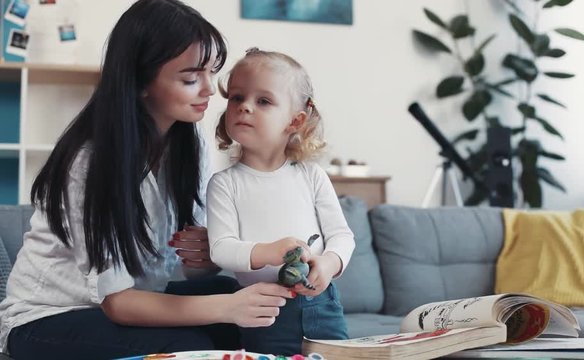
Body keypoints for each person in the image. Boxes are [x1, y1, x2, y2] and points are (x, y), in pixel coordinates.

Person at [0, 1, 294, 358]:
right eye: (190, 78)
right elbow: (118, 303)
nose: (208, 89)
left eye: (211, 72)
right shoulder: (90, 162)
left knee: (260, 309)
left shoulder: (191, 142)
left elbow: (179, 268)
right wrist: (227, 308)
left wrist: (204, 258)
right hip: (48, 320)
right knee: (193, 344)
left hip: (140, 301)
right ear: (140, 84)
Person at [207, 48, 356, 356]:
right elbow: (221, 249)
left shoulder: (312, 176)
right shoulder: (224, 184)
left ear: (295, 120)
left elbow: (342, 236)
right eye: (236, 97)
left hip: (321, 303)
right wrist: (270, 251)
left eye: (262, 101)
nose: (244, 107)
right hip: (261, 308)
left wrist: (328, 264)